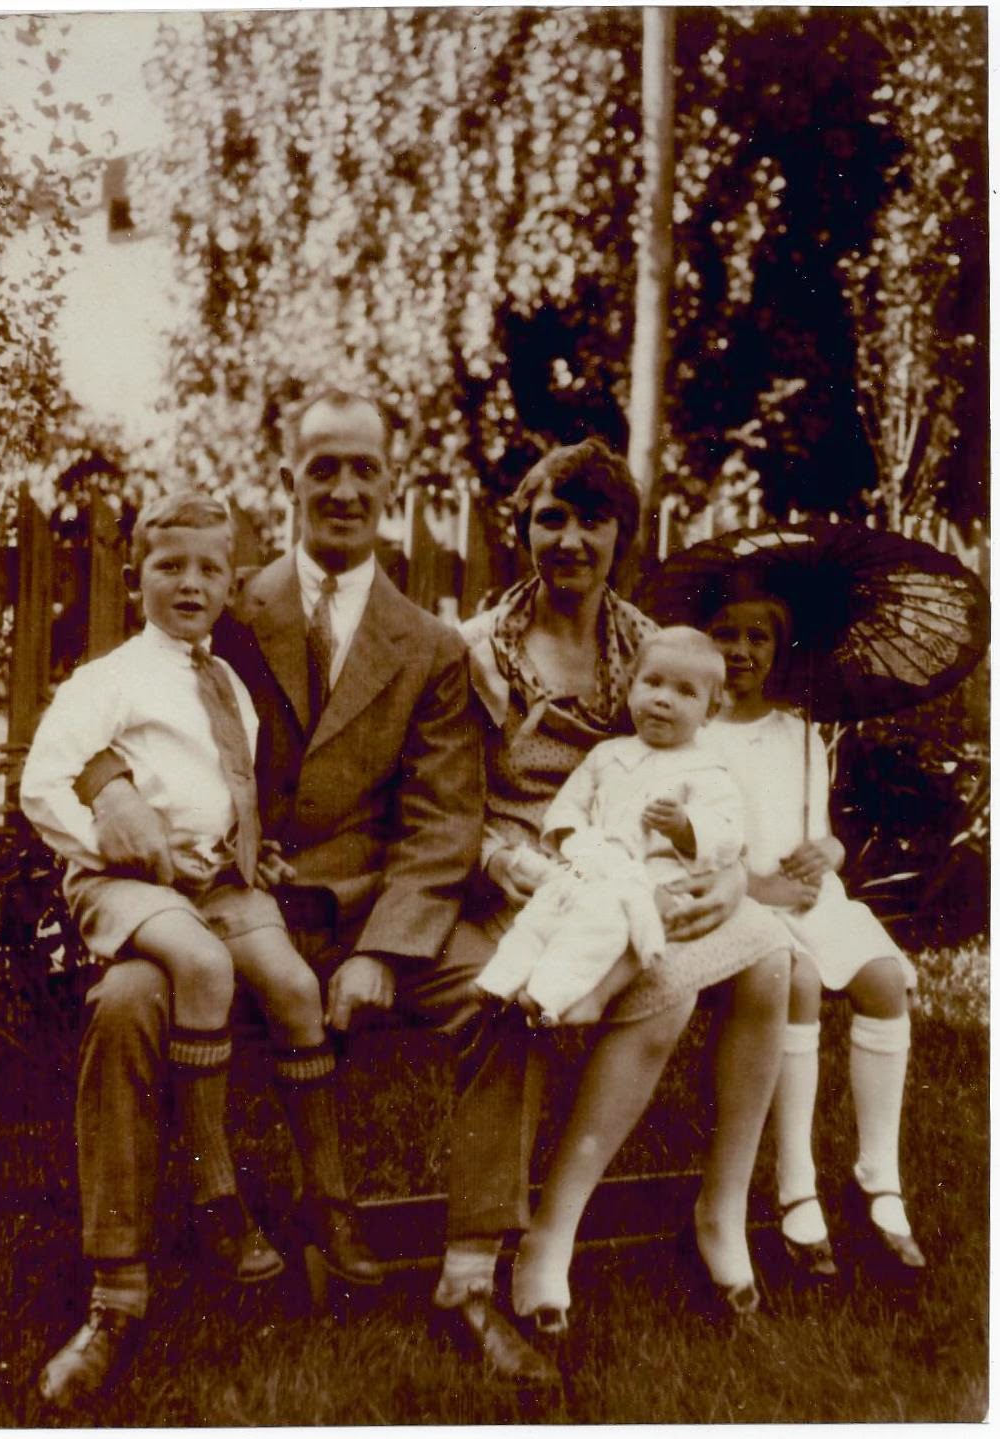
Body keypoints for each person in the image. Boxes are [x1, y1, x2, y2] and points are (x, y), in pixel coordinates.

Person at [42, 389, 484, 1409]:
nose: (343, 488)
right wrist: (110, 790)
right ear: (289, 480)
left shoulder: (430, 644)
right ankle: (119, 1288)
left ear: (392, 481)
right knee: (127, 1002)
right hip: (206, 902)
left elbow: (442, 821)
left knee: (497, 990)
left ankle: (475, 1261)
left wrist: (383, 948)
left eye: (363, 468)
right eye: (322, 466)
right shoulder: (219, 601)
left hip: (354, 916)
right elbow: (106, 713)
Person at [433, 440, 791, 1377]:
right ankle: (553, 1230)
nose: (572, 540)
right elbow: (442, 797)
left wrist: (730, 875)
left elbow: (708, 775)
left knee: (773, 958)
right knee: (668, 986)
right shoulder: (476, 650)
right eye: (551, 518)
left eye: (593, 520)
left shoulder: (649, 644)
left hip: (649, 867)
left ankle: (721, 1207)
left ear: (622, 535)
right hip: (527, 874)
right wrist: (499, 857)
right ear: (523, 530)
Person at [706, 587, 926, 1283]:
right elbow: (696, 849)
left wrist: (829, 851)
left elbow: (819, 833)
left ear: (779, 650)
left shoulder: (800, 735)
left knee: (883, 980)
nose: (741, 650)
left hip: (809, 894)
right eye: (725, 635)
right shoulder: (696, 735)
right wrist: (759, 886)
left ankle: (879, 1176)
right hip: (741, 899)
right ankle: (796, 1184)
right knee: (798, 982)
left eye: (758, 638)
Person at [475, 628, 747, 1026]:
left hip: (658, 875)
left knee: (628, 921)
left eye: (685, 692)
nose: (663, 699)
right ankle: (503, 980)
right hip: (598, 864)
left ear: (710, 711)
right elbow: (571, 804)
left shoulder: (707, 770)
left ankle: (589, 995)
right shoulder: (607, 754)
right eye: (652, 683)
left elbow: (727, 831)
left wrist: (685, 827)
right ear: (630, 689)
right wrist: (573, 839)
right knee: (551, 910)